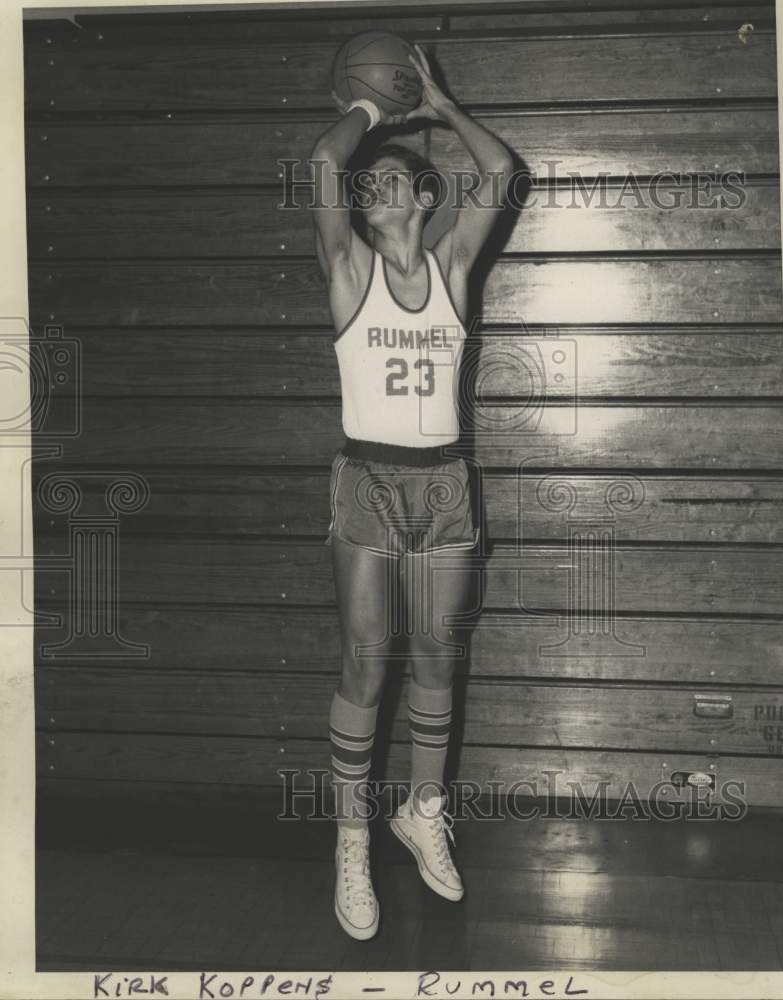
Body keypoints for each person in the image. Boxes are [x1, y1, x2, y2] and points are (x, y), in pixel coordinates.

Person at [309, 43, 513, 940]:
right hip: (370, 479)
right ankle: (352, 842)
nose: (374, 186)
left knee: (436, 663)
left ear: (425, 198)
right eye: (372, 182)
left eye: (394, 179)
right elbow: (323, 163)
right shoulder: (348, 272)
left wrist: (435, 104)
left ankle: (421, 812)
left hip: (445, 485)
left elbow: (501, 170)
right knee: (367, 661)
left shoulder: (452, 272)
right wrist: (367, 112)